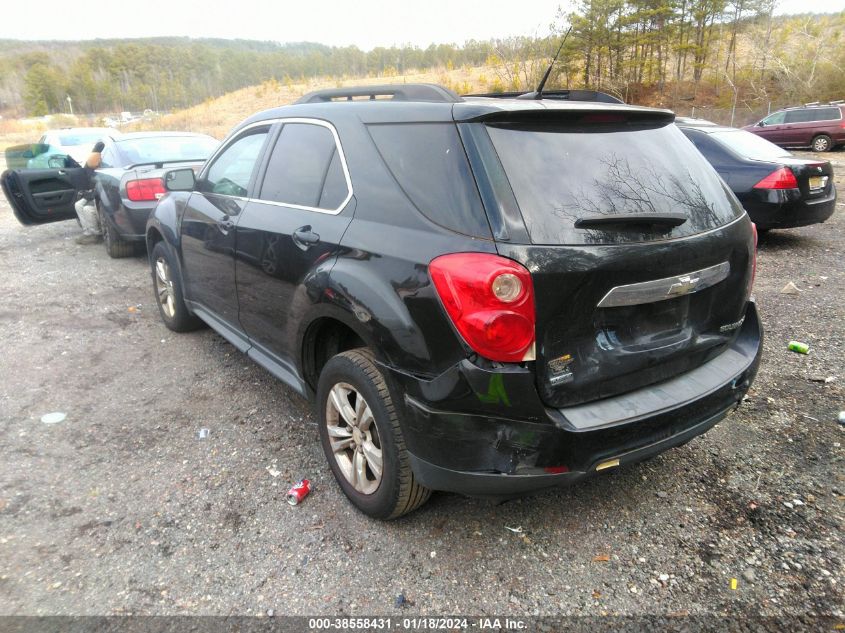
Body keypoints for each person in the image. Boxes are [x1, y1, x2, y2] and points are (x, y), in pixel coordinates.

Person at [74, 141, 105, 245]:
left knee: (87, 209)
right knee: (78, 205)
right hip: (93, 192)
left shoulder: (107, 166)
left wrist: (93, 194)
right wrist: (88, 193)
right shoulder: (92, 162)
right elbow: (87, 173)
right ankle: (87, 232)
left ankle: (96, 234)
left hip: (99, 194)